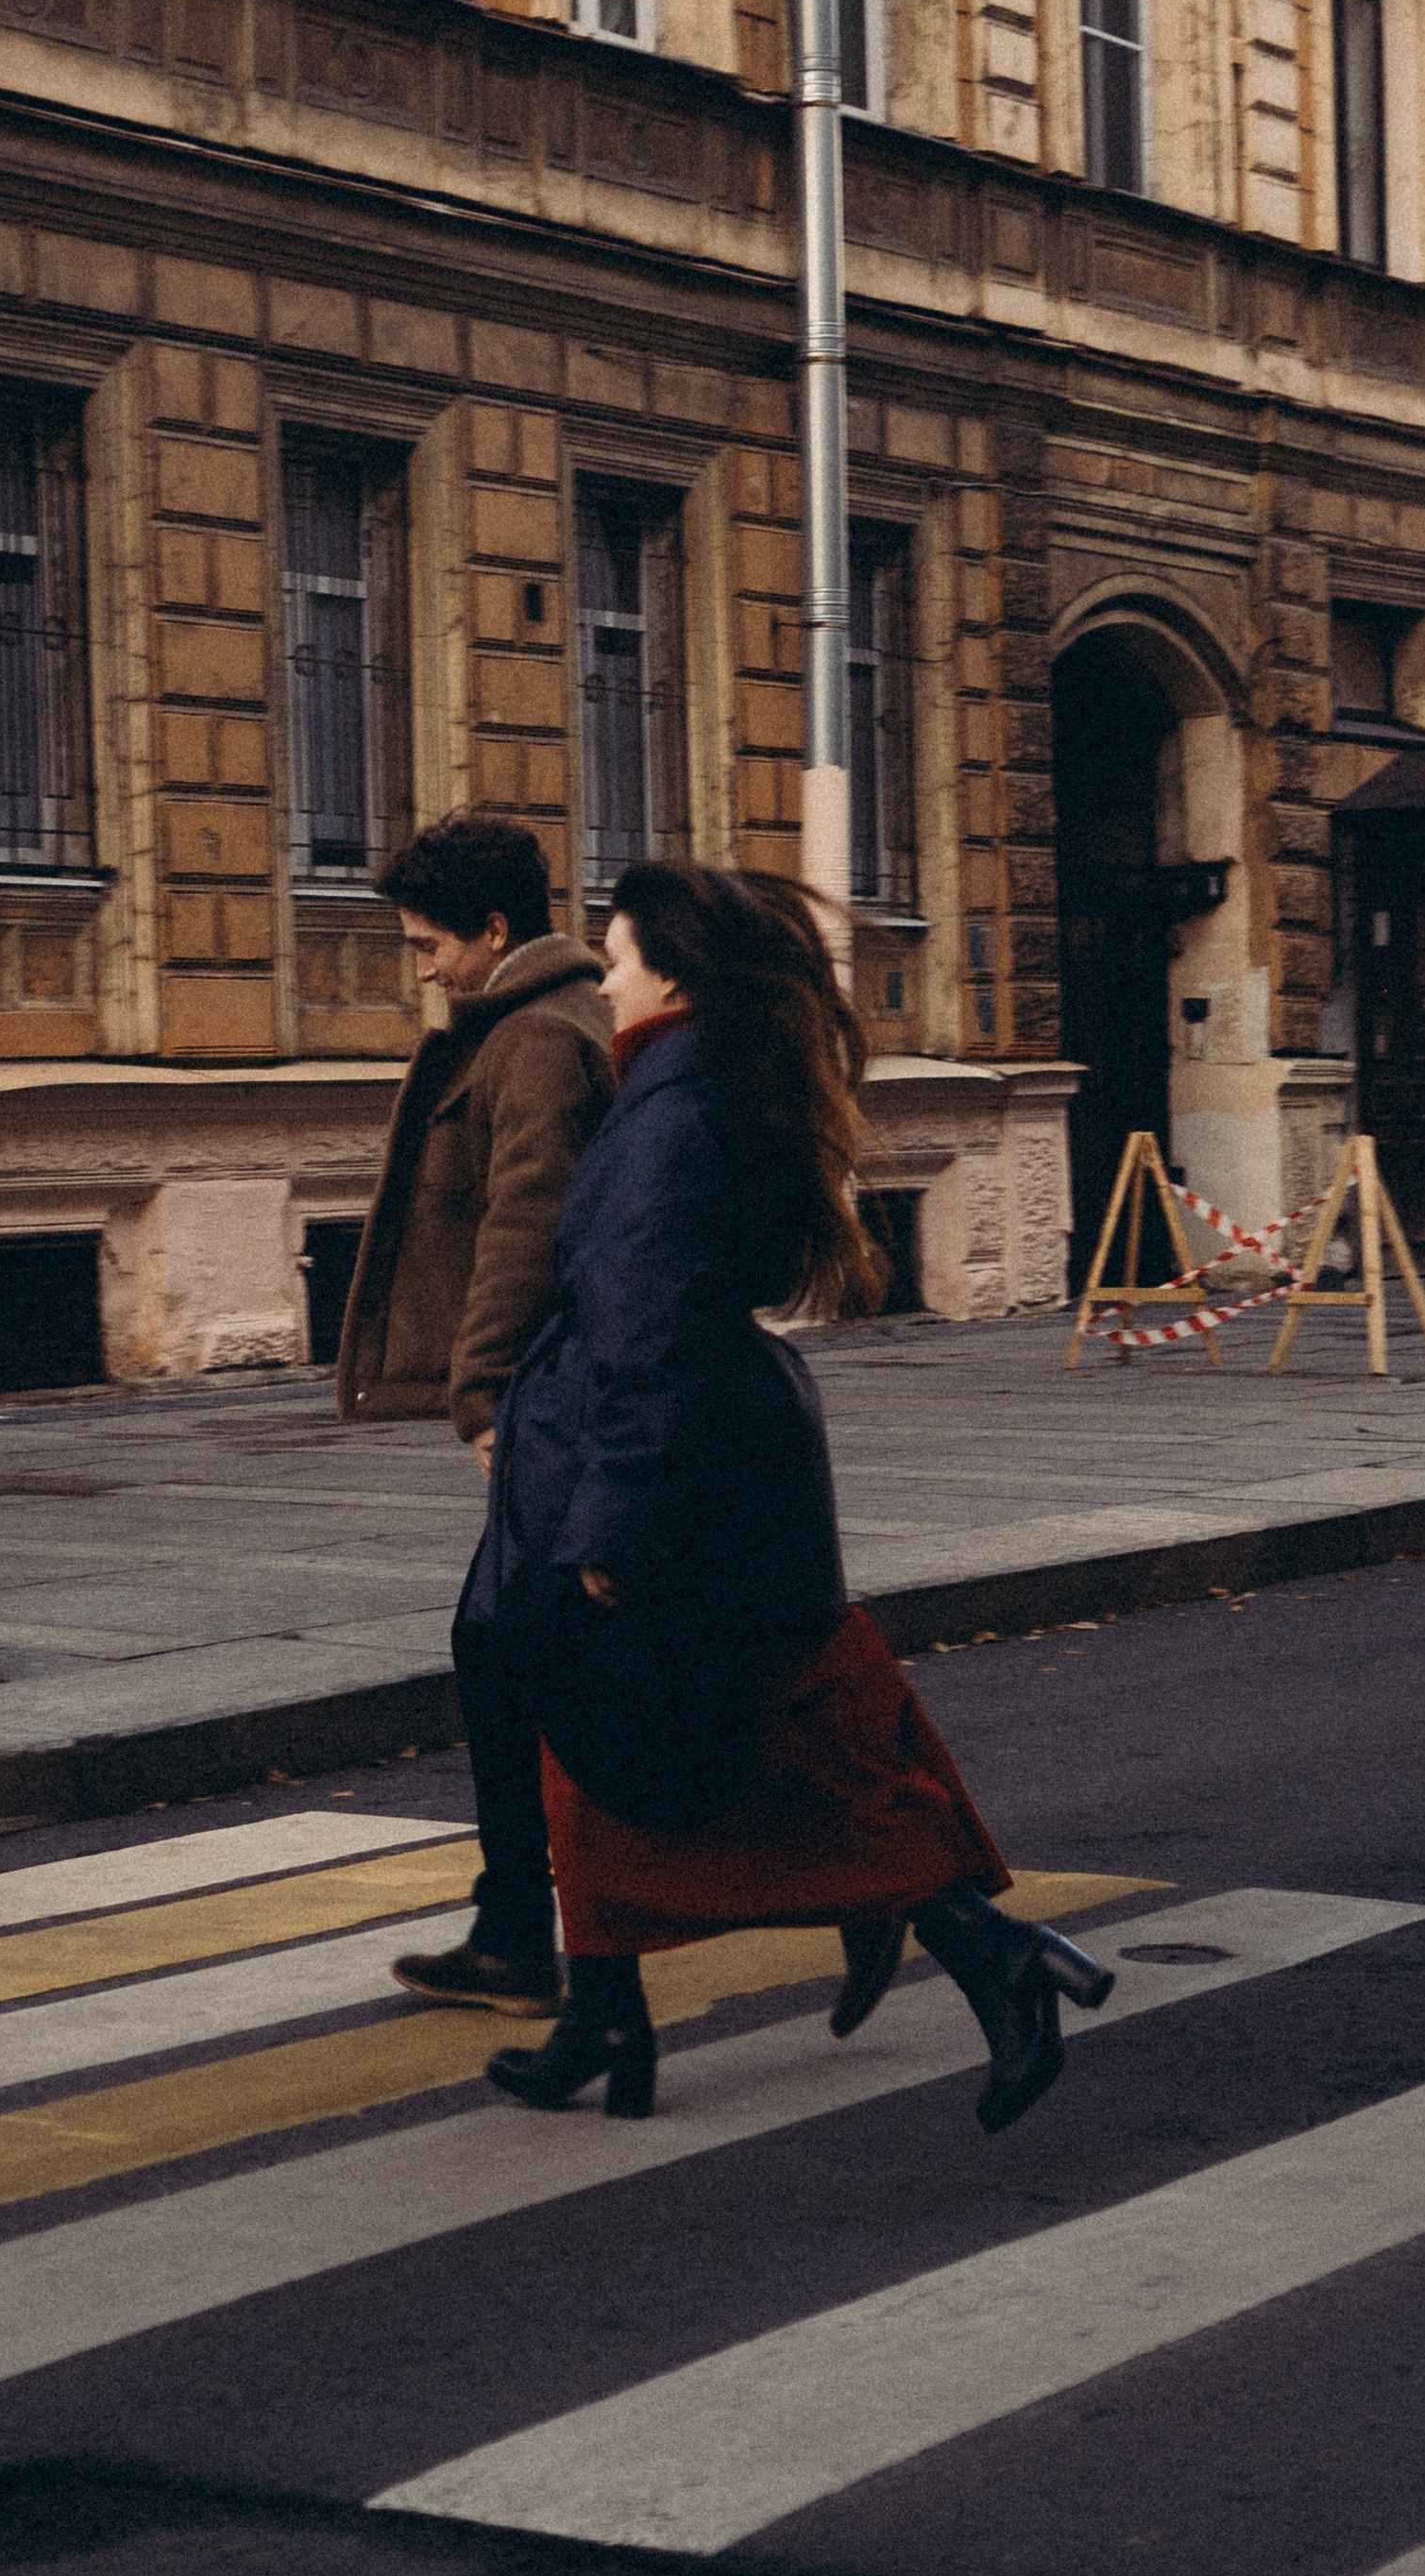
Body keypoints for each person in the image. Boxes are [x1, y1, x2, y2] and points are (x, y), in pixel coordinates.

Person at [460, 858, 1115, 2133]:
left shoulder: (666, 1115)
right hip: (689, 1462)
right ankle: (604, 2014)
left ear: (674, 974)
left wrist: (608, 1529)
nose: (605, 980)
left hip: (661, 1478)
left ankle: (988, 1950)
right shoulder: (706, 1084)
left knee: (782, 1750)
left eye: (619, 957)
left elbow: (645, 1333)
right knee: (597, 1740)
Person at [336, 814, 615, 2012]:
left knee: (513, 1651)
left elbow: (525, 1225)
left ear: (492, 931)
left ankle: (897, 1893)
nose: (421, 969)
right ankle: (525, 1932)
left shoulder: (538, 1039)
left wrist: (483, 1396)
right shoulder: (533, 1023)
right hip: (567, 1400)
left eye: (428, 945)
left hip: (557, 1404)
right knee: (520, 1654)